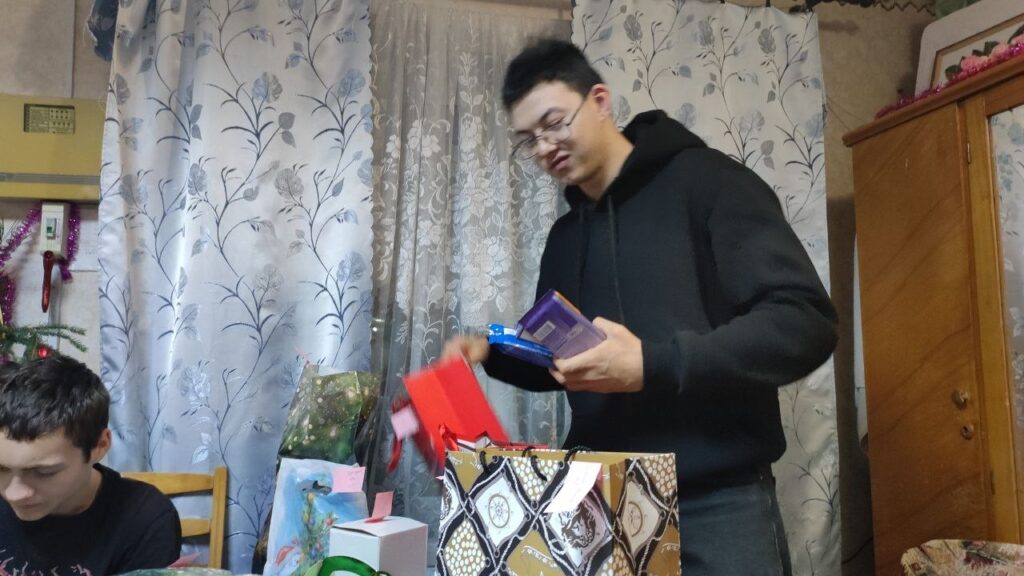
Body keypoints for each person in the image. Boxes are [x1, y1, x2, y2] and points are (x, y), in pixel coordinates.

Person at [442, 38, 837, 575]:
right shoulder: (566, 237)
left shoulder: (710, 182)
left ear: (600, 101)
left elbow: (804, 321)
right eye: (528, 139)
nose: (544, 147)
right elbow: (561, 362)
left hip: (719, 500)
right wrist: (492, 352)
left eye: (555, 123)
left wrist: (652, 363)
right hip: (603, 497)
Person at [0, 355, 182, 573]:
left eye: (44, 472)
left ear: (100, 445)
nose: (14, 494)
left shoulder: (144, 518)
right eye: (1, 469)